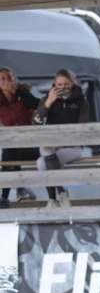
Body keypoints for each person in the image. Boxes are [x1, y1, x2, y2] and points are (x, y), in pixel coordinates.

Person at [32, 68, 90, 208]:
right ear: (55, 84)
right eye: (59, 85)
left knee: (42, 164)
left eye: (66, 84)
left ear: (72, 83)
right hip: (52, 146)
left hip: (73, 147)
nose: (63, 88)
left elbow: (83, 128)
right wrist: (48, 104)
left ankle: (53, 199)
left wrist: (63, 144)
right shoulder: (48, 99)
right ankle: (61, 194)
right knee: (45, 149)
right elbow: (36, 122)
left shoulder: (82, 101)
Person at [0, 66, 41, 209]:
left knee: (9, 153)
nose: (6, 81)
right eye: (3, 79)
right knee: (9, 152)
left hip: (33, 145)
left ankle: (5, 197)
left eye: (9, 78)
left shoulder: (23, 94)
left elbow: (38, 105)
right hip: (14, 148)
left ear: (14, 79)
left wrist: (16, 91)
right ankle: (18, 191)